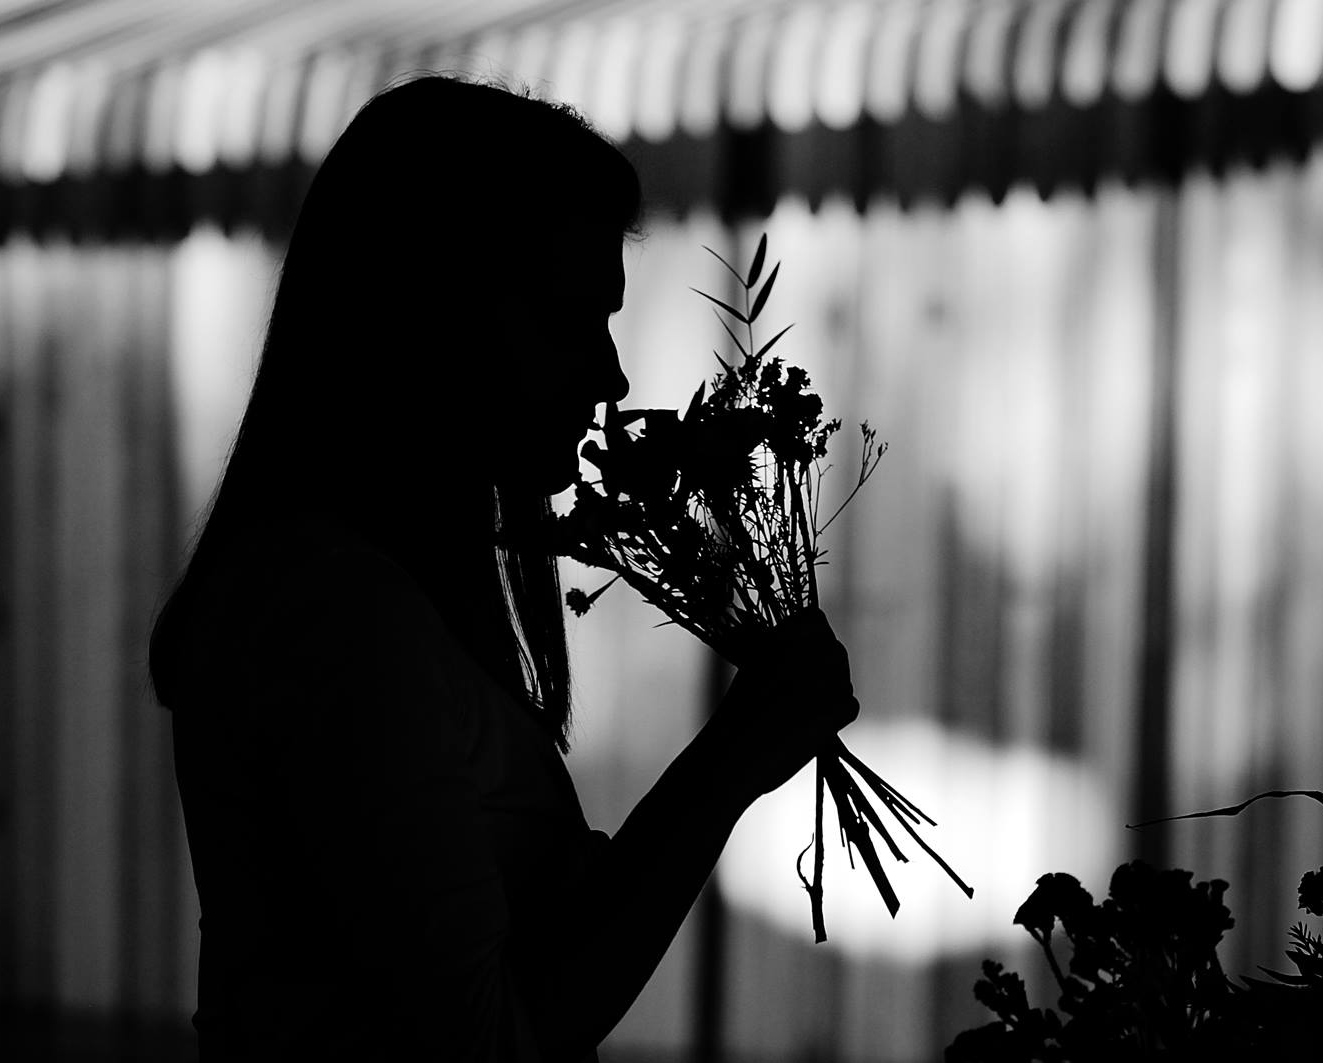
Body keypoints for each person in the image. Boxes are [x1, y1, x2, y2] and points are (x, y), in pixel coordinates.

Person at [148, 75, 859, 1062]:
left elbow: (529, 941)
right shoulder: (335, 614)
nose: (610, 376)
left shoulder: (379, 598)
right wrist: (729, 761)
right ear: (437, 313)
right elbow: (488, 1040)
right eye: (571, 321)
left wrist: (737, 752)